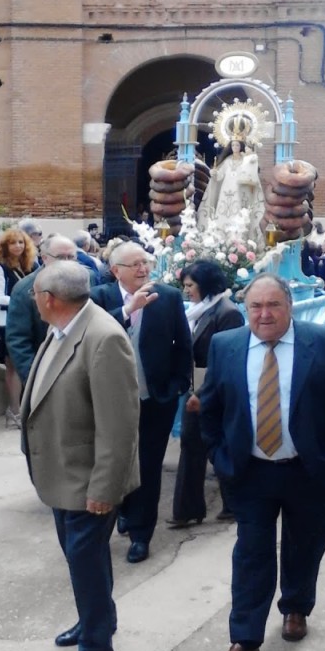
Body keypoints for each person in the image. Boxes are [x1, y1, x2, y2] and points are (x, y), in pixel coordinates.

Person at [200, 274, 325, 651]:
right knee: (250, 553)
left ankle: (295, 606)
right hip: (251, 472)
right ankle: (246, 641)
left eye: (273, 305)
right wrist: (221, 457)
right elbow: (211, 407)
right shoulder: (225, 345)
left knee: (303, 545)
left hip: (310, 470)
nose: (264, 314)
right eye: (255, 306)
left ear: (290, 306)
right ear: (246, 309)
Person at [20, 262, 139, 651]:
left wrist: (104, 489)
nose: (33, 301)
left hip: (88, 482)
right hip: (61, 475)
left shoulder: (104, 338)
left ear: (50, 299)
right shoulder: (63, 327)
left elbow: (119, 426)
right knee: (82, 563)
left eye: (35, 294)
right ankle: (97, 620)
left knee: (85, 567)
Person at [91, 241, 192, 563]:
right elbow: (89, 336)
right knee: (117, 462)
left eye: (145, 262)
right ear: (115, 270)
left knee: (148, 466)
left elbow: (182, 344)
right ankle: (122, 510)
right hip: (111, 403)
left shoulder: (168, 297)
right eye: (134, 264)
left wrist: (179, 384)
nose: (143, 269)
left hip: (155, 399)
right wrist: (127, 310)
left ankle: (141, 534)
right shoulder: (99, 297)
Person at [169, 259, 244, 528]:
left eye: (190, 285)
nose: (186, 291)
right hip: (196, 385)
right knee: (194, 445)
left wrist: (202, 393)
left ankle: (228, 504)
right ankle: (189, 509)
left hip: (214, 389)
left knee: (214, 445)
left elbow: (227, 359)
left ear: (205, 284)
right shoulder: (199, 311)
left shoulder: (227, 313)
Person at [5, 235, 79, 385]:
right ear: (45, 258)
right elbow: (18, 341)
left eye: (71, 257)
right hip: (44, 376)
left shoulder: (85, 281)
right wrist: (35, 381)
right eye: (60, 257)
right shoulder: (25, 290)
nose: (67, 263)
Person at [0, 227, 39, 427]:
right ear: (5, 246)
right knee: (12, 366)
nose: (18, 246)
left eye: (21, 242)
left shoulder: (33, 265)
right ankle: (15, 410)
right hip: (8, 321)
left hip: (32, 319)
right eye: (13, 243)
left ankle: (29, 407)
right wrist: (21, 301)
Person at [197, 139, 266, 242]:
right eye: (233, 145)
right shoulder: (227, 161)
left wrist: (251, 157)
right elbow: (220, 175)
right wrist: (214, 174)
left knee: (238, 212)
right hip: (225, 192)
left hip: (239, 191)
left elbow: (251, 173)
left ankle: (237, 238)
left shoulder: (245, 160)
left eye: (237, 145)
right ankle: (220, 237)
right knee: (222, 211)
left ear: (241, 147)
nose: (235, 147)